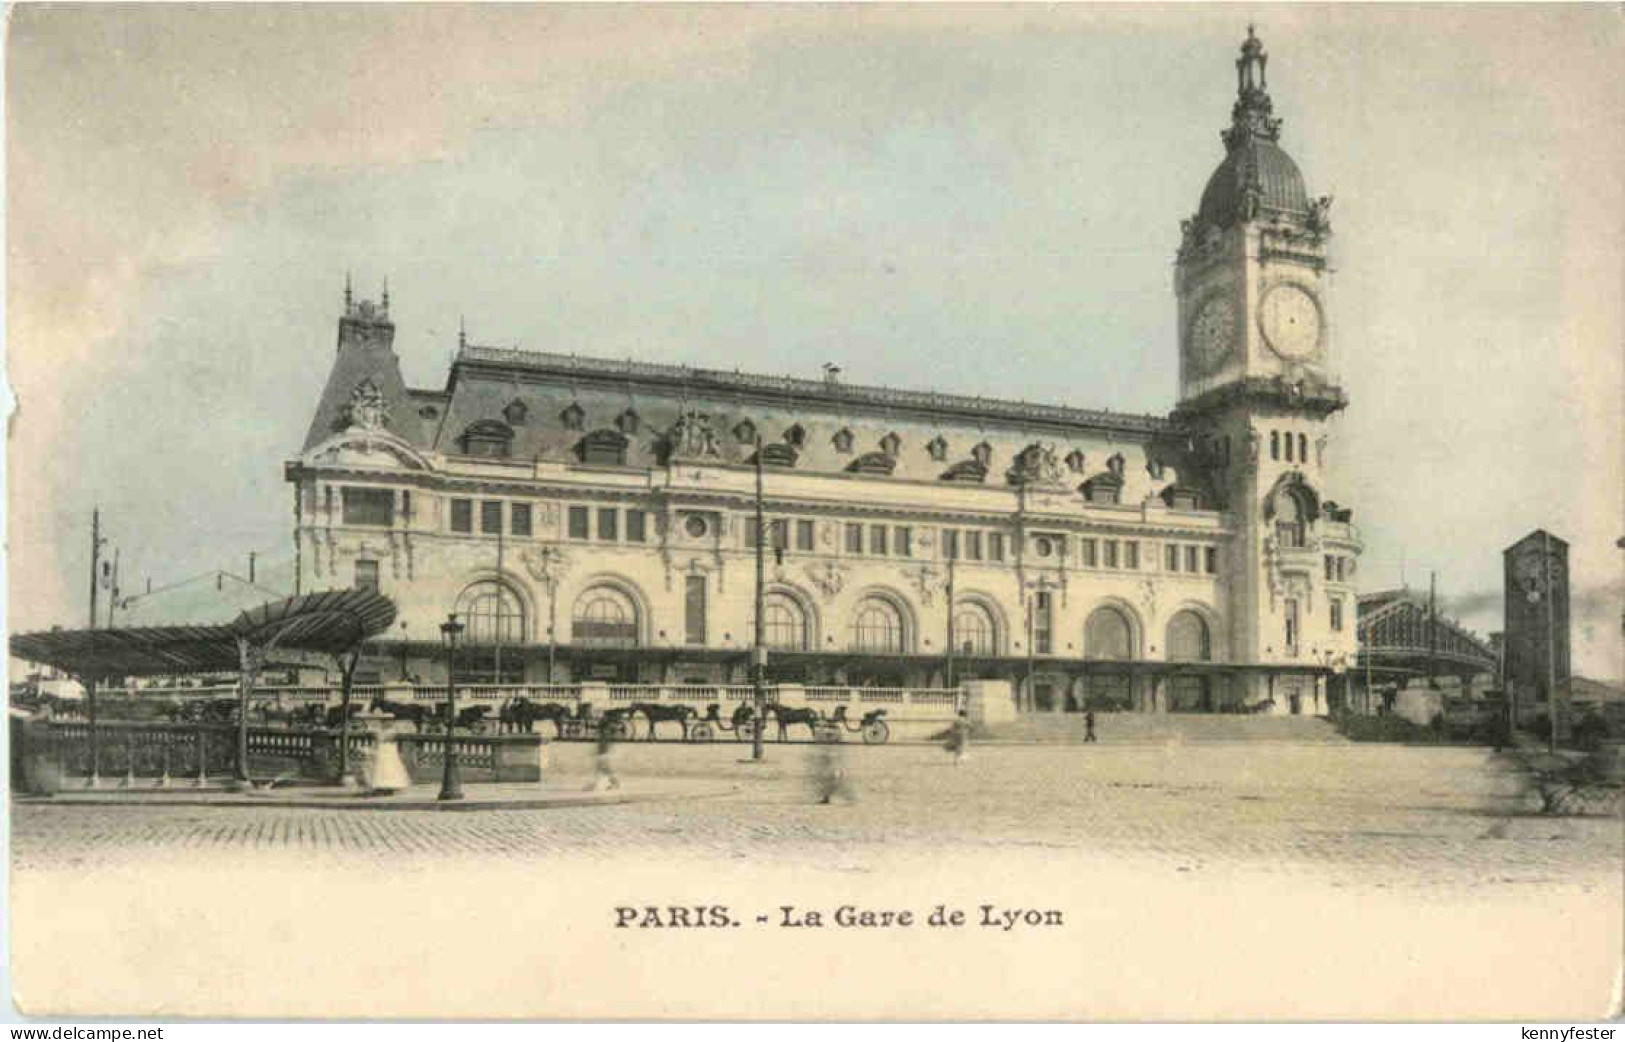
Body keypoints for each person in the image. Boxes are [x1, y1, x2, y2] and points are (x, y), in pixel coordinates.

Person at [589, 718, 621, 792]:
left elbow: (603, 745)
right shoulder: (605, 733)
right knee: (605, 770)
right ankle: (614, 783)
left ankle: (595, 785)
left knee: (603, 770)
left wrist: (599, 753)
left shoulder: (604, 734)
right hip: (603, 755)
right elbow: (604, 745)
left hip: (602, 755)